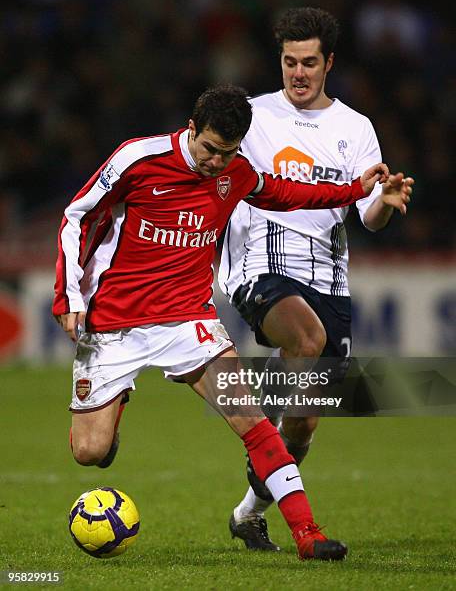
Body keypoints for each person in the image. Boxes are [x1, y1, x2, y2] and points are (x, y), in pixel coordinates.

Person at [53, 84, 410, 561]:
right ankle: (113, 407)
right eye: (210, 149)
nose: (217, 163)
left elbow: (286, 193)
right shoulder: (138, 159)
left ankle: (307, 534)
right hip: (116, 322)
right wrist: (69, 296)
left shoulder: (235, 173)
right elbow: (77, 215)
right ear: (192, 128)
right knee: (89, 453)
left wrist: (355, 190)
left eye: (228, 153)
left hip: (189, 321)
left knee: (255, 424)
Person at [218, 8, 415, 551]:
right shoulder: (252, 117)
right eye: (288, 62)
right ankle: (271, 428)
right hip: (259, 266)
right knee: (307, 340)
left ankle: (247, 512)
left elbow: (368, 215)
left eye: (308, 63)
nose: (297, 74)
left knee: (302, 424)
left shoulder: (356, 129)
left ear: (329, 63)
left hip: (329, 279)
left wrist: (386, 202)